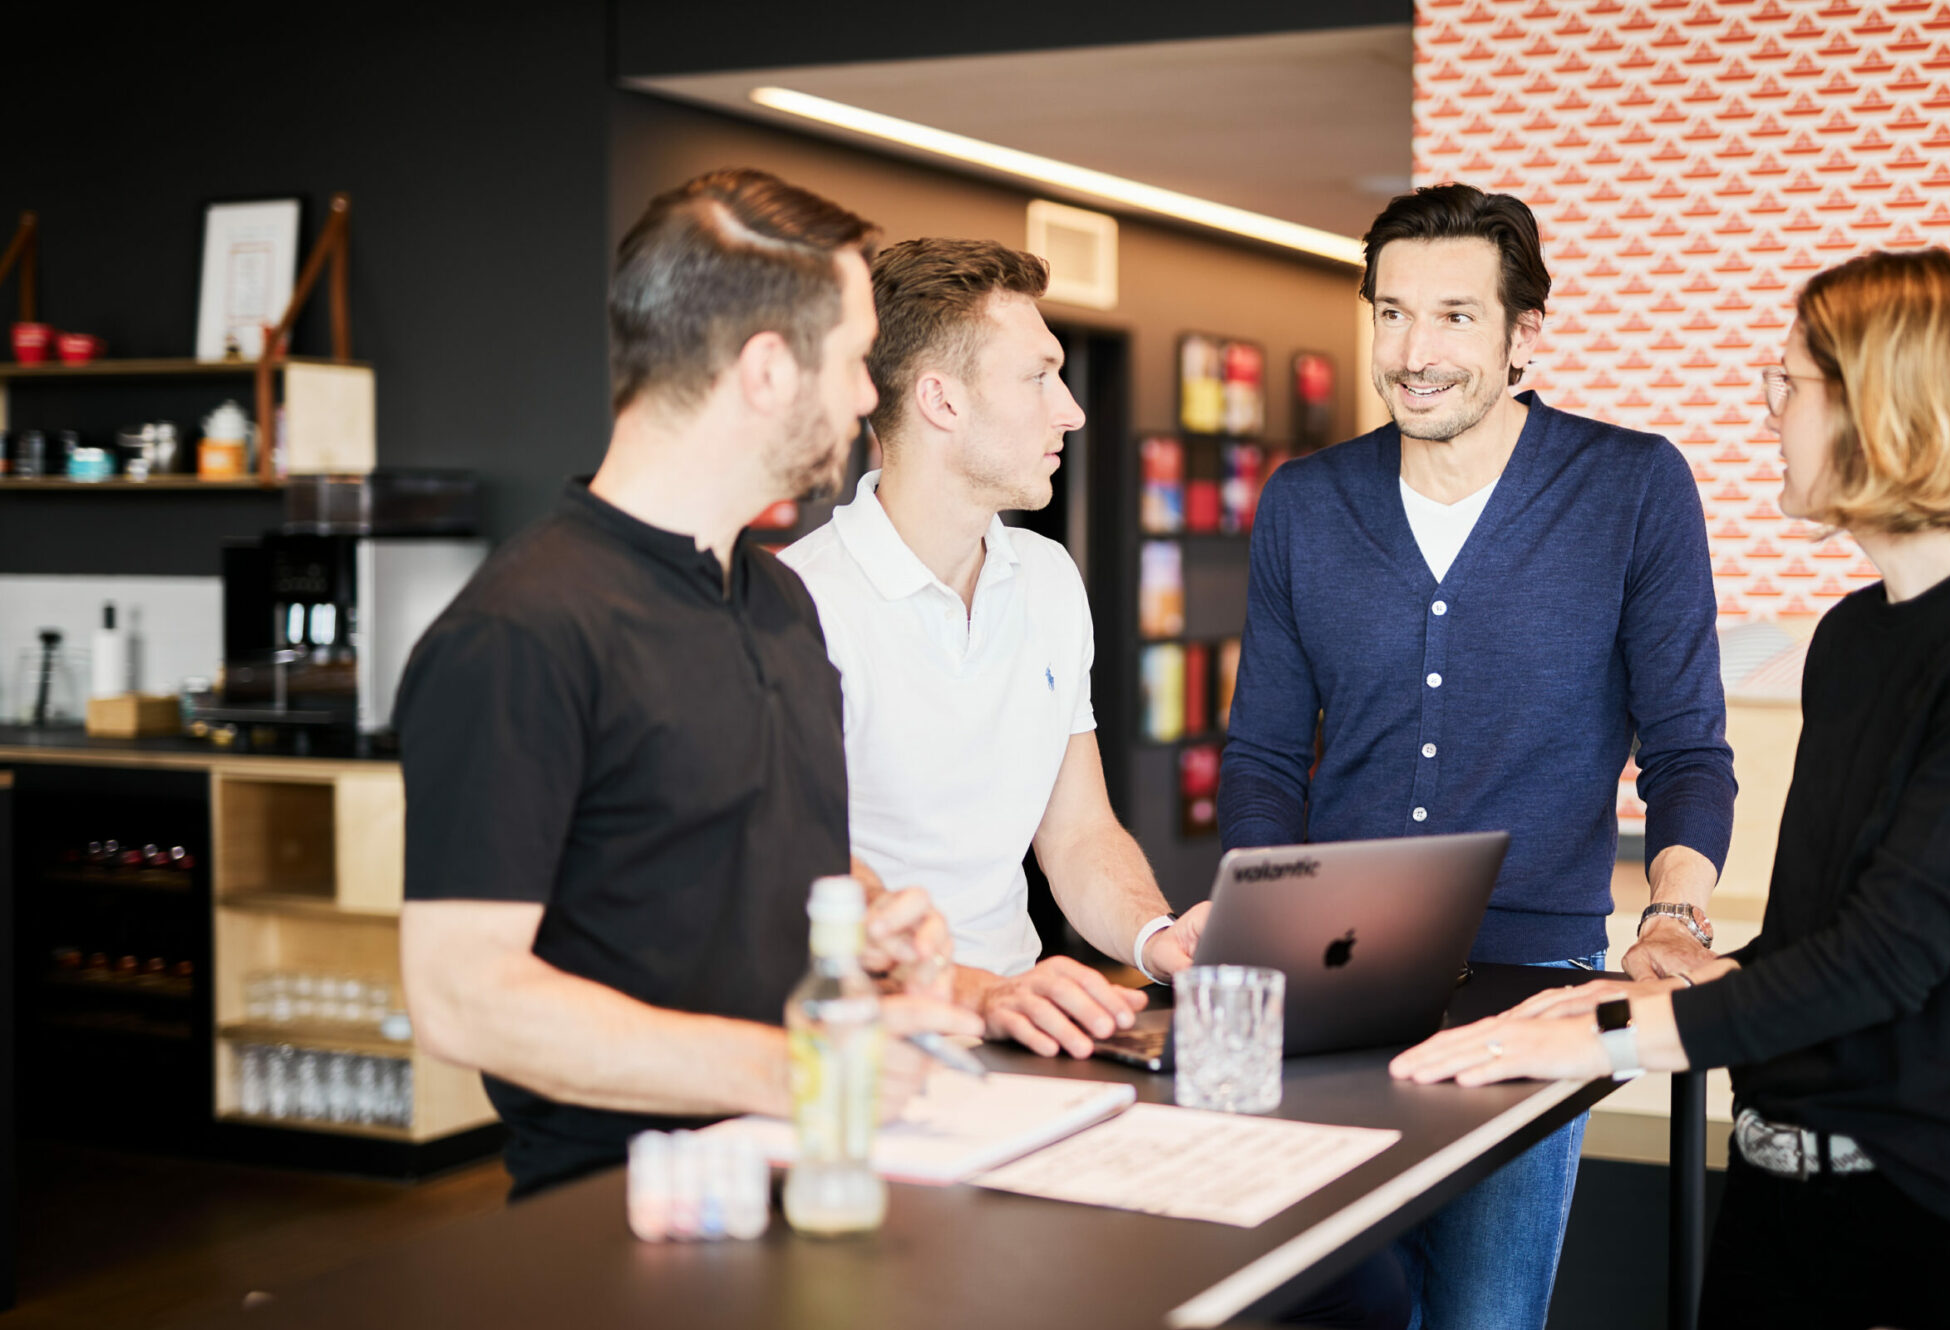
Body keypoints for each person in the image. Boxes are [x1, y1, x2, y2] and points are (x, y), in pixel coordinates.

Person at [1392, 248, 1950, 1329]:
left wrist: (1599, 1041)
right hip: (1783, 1207)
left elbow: (1889, 962)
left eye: (1790, 382)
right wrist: (1642, 991)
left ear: (1883, 404)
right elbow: (1825, 939)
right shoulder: (1855, 635)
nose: (1768, 409)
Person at [394, 169, 981, 1200]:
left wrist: (860, 921)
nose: (865, 396)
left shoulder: (780, 600)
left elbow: (711, 843)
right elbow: (461, 996)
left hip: (809, 1171)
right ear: (767, 369)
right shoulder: (519, 633)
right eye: (853, 360)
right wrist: (787, 1069)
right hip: (619, 1211)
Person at [1219, 182, 1737, 1327]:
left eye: (1454, 315)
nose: (1414, 353)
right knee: (1327, 1303)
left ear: (1521, 335)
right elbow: (1261, 752)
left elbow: (1688, 747)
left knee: (1485, 1314)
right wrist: (1258, 924)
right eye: (1391, 313)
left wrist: (1672, 914)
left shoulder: (1629, 485)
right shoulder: (1307, 503)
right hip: (1332, 977)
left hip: (1536, 981)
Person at [781, 237, 1210, 1059]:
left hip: (1021, 1031)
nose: (1071, 410)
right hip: (863, 1046)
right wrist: (980, 992)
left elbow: (1078, 833)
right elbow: (802, 886)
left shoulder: (1047, 577)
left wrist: (1156, 939)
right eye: (1039, 376)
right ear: (941, 401)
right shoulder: (798, 605)